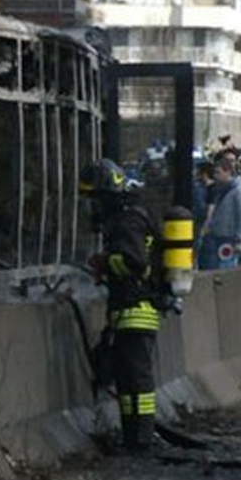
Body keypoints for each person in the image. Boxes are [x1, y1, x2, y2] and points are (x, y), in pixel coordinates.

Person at [79, 158, 162, 453]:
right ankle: (133, 438)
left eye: (96, 199)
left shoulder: (128, 221)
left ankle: (140, 439)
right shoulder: (133, 215)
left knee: (136, 380)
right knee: (127, 380)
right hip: (130, 309)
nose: (94, 207)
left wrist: (105, 262)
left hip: (135, 309)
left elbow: (135, 262)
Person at [200, 155, 241, 269]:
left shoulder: (239, 191)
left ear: (227, 172)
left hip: (229, 237)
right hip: (218, 234)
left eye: (218, 172)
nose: (215, 176)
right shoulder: (222, 188)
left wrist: (240, 238)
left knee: (225, 267)